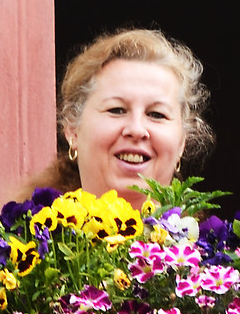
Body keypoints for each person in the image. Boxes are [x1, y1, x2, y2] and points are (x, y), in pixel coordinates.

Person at [26, 28, 213, 207]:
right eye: (116, 110)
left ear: (182, 141)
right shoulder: (20, 237)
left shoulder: (214, 241)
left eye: (156, 114)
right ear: (72, 129)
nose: (136, 129)